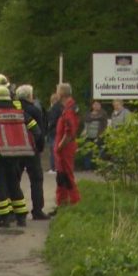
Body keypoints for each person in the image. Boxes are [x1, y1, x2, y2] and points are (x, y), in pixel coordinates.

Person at [0, 85, 40, 227]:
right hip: (16, 156)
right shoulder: (21, 114)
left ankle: (3, 217)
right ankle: (21, 216)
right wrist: (30, 145)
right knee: (14, 184)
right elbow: (37, 131)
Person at [15, 84, 48, 220]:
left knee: (14, 180)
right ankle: (37, 210)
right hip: (31, 149)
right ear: (30, 96)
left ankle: (13, 209)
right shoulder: (34, 110)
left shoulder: (13, 109)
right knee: (36, 180)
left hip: (14, 150)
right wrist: (40, 148)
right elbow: (39, 132)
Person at [53, 83, 81, 212]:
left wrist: (60, 145)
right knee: (61, 177)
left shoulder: (69, 110)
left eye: (58, 92)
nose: (56, 94)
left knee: (67, 176)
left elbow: (69, 132)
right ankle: (62, 202)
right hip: (63, 149)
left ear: (62, 94)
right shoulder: (69, 108)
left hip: (65, 149)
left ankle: (75, 202)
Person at [82, 100, 108, 170]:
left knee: (97, 152)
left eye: (98, 104)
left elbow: (100, 118)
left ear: (100, 105)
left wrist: (92, 118)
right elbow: (85, 119)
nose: (96, 106)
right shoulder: (88, 113)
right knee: (87, 152)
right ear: (92, 105)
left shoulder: (103, 113)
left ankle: (97, 168)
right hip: (88, 136)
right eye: (95, 104)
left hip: (98, 136)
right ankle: (87, 168)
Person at [45, 92, 62, 173]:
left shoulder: (54, 108)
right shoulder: (61, 107)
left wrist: (48, 127)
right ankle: (56, 167)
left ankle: (54, 167)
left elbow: (52, 120)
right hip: (57, 131)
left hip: (53, 132)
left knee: (53, 150)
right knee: (55, 150)